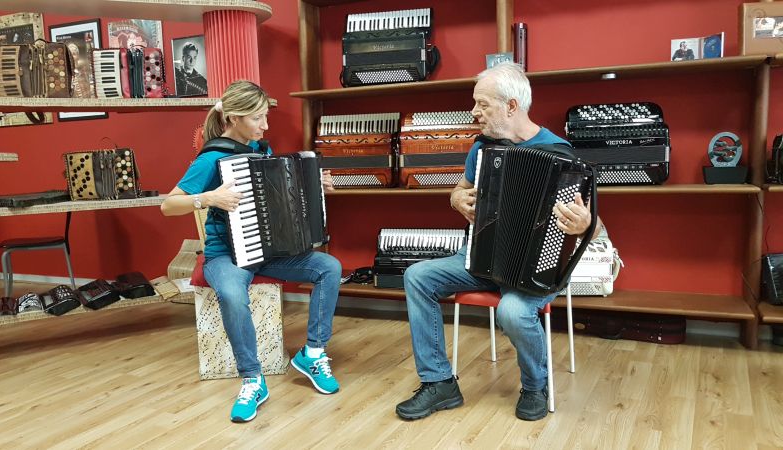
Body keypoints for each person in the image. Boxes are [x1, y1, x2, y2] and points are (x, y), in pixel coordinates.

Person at [394, 62, 603, 422]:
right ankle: (439, 383)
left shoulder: (561, 155)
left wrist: (584, 225)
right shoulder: (482, 149)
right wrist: (456, 198)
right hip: (481, 258)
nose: (474, 112)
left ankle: (535, 386)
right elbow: (461, 188)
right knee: (417, 276)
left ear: (511, 106)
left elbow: (596, 227)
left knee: (512, 311)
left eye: (483, 104)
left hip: (536, 268)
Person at [161, 80, 342, 423]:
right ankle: (252, 380)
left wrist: (315, 187)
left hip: (268, 252)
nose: (265, 125)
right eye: (258, 118)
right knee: (232, 294)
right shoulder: (211, 158)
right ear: (234, 118)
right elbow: (168, 205)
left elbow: (282, 199)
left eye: (265, 117)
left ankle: (313, 353)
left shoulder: (261, 151)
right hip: (225, 255)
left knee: (328, 267)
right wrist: (208, 198)